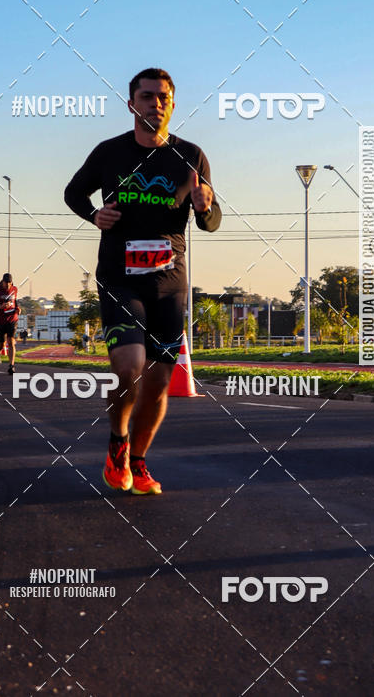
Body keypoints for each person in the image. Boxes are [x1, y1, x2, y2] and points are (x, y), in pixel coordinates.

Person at [65, 67, 221, 495]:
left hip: (169, 283)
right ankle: (118, 440)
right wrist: (94, 215)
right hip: (120, 277)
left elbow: (211, 221)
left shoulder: (191, 155)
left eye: (164, 97)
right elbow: (73, 193)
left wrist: (205, 206)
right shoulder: (109, 153)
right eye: (148, 96)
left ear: (172, 104)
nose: (157, 103)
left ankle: (138, 460)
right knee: (129, 367)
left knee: (157, 382)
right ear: (132, 103)